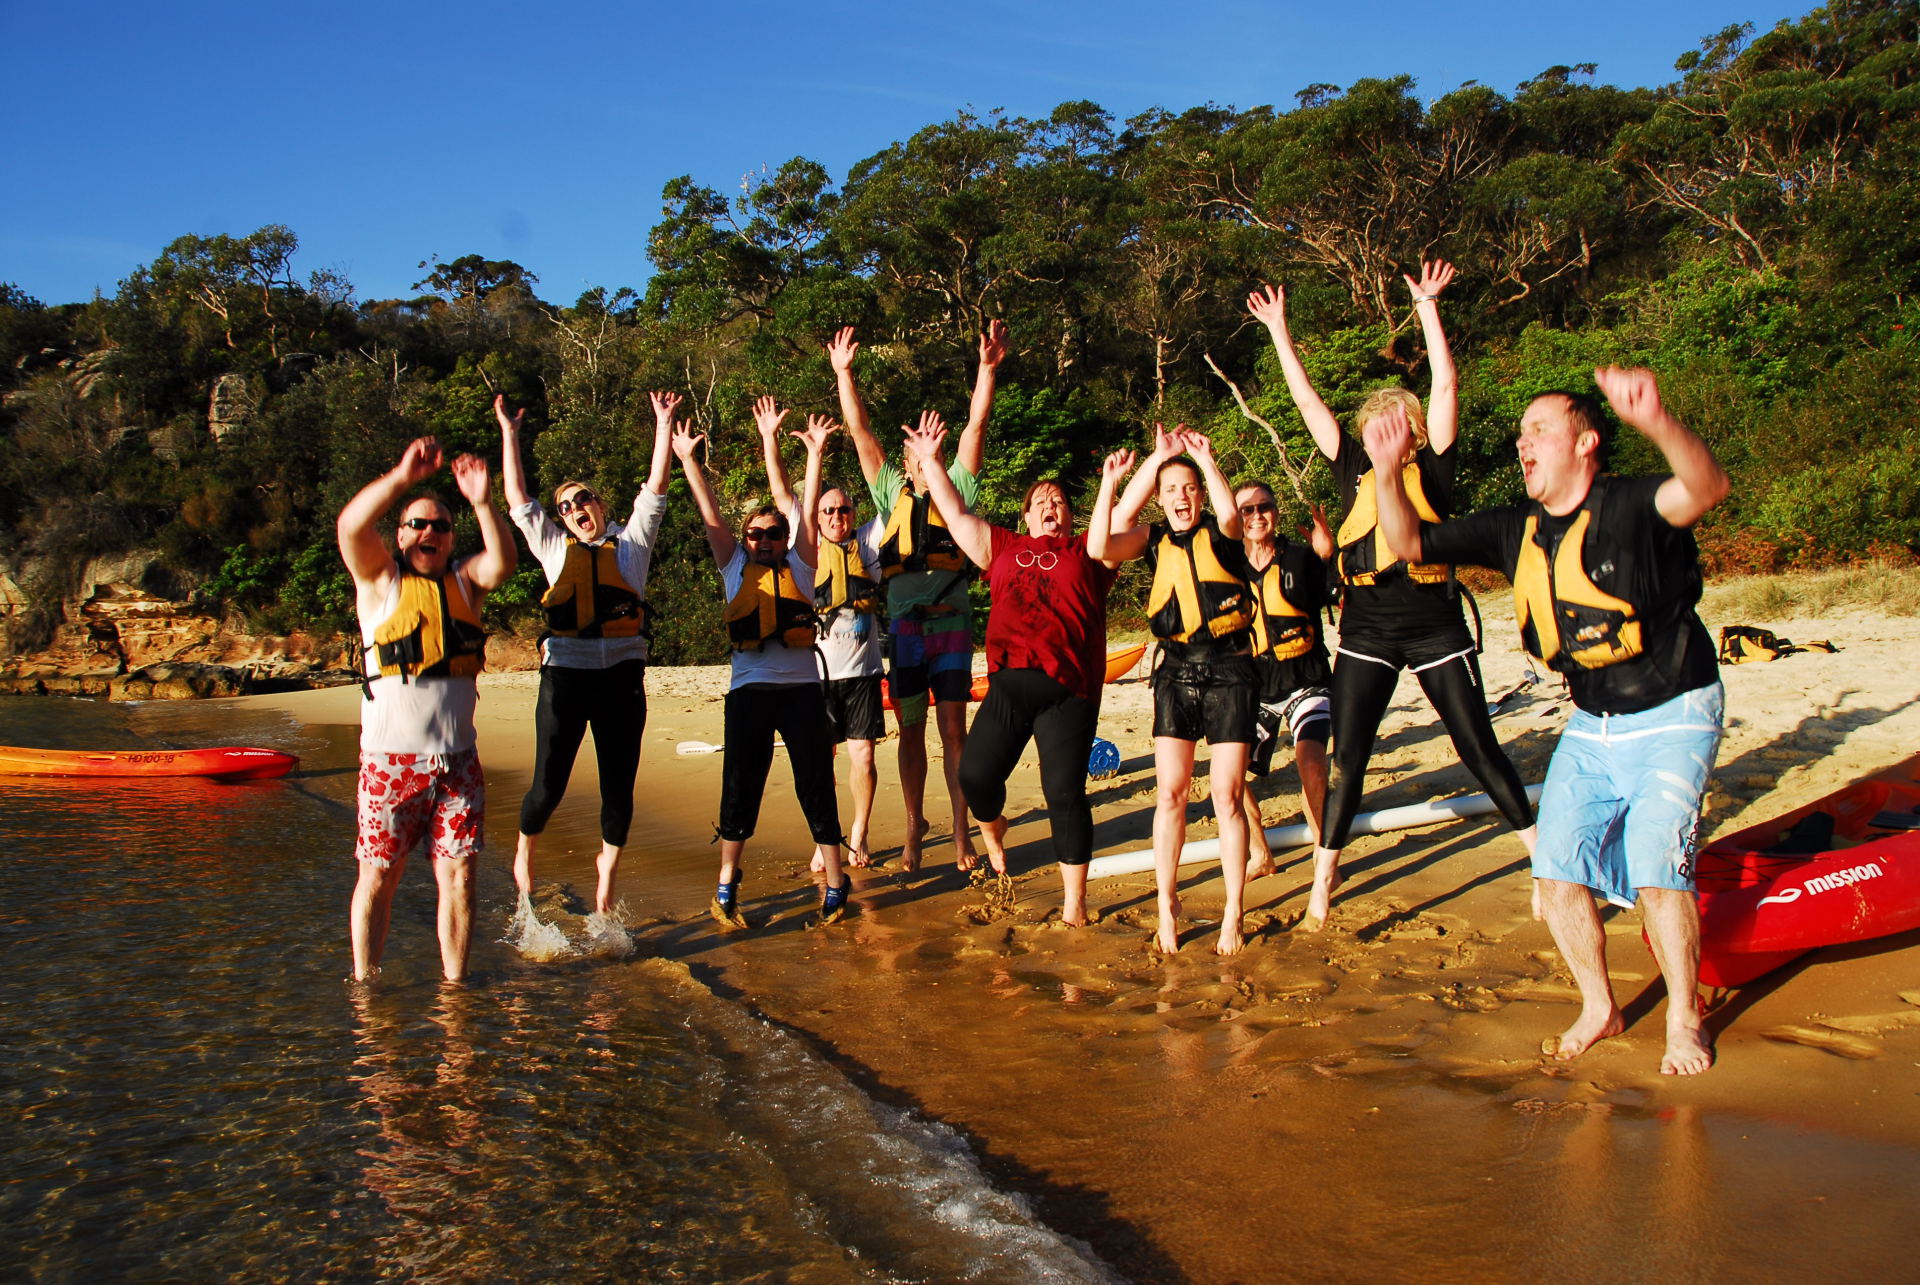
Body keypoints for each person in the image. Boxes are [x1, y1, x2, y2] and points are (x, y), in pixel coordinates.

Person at [1363, 367, 1729, 1076]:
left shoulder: (1632, 504)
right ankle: (1600, 1004)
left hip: (1675, 708)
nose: (1522, 443)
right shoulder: (1513, 528)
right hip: (1592, 720)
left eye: (1539, 429)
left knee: (1658, 865)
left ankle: (1684, 1015)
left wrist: (1656, 420)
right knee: (1557, 867)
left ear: (1586, 442)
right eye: (1521, 433)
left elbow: (1706, 488)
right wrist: (1385, 471)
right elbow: (1410, 544)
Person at [1248, 261, 1536, 931]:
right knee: (1350, 756)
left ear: (1411, 431)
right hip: (1368, 629)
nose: (1382, 433)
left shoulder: (1434, 465)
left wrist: (1429, 310)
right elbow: (1307, 404)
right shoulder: (1351, 466)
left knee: (1478, 745)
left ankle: (1538, 856)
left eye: (1393, 425)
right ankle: (1323, 881)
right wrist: (1280, 333)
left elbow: (1446, 384)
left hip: (1435, 622)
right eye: (1374, 426)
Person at [900, 412, 1126, 924]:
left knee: (1063, 791)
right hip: (1007, 686)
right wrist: (934, 461)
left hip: (1068, 691)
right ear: (1025, 517)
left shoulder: (1090, 549)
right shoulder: (1002, 547)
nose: (1051, 506)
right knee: (976, 778)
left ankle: (1075, 904)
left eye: (1060, 501)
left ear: (1071, 516)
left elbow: (1119, 525)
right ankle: (993, 826)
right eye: (1040, 502)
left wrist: (1124, 480)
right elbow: (955, 515)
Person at [827, 320, 1008, 870]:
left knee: (954, 727)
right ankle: (912, 829)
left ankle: (959, 832)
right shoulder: (889, 491)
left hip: (951, 624)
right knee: (910, 730)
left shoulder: (959, 486)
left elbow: (976, 425)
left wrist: (987, 369)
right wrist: (844, 374)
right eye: (913, 454)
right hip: (905, 631)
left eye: (930, 451)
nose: (921, 459)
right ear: (905, 464)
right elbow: (861, 436)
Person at [337, 435, 516, 982]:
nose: (428, 533)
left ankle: (455, 990)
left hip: (458, 764)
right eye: (417, 523)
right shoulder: (379, 582)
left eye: (439, 525)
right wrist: (401, 477)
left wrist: (484, 503)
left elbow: (503, 562)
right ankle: (366, 988)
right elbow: (349, 526)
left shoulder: (467, 583)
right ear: (399, 534)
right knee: (378, 877)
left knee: (460, 877)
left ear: (451, 538)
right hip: (391, 766)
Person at [496, 390, 675, 915]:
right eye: (567, 507)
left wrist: (662, 424)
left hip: (622, 678)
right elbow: (518, 504)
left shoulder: (633, 544)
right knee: (547, 786)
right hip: (566, 679)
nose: (577, 509)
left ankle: (607, 874)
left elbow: (657, 488)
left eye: (585, 499)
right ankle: (525, 847)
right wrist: (510, 433)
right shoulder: (555, 550)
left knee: (618, 788)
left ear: (602, 505)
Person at [673, 401, 847, 927]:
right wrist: (687, 461)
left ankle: (837, 884)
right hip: (749, 694)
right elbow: (710, 516)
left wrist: (815, 453)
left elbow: (809, 502)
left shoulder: (803, 560)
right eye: (756, 535)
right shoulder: (733, 567)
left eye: (773, 533)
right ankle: (727, 882)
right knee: (740, 786)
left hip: (800, 693)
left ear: (786, 539)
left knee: (814, 783)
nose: (765, 541)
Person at [1095, 427, 1256, 955]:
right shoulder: (1151, 539)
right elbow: (1101, 542)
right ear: (1160, 500)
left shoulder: (1224, 530)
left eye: (1188, 490)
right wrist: (1127, 477)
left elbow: (1231, 516)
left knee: (1227, 797)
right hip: (1176, 674)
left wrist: (1205, 461)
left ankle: (1233, 911)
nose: (1181, 499)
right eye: (1171, 491)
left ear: (1200, 494)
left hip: (1230, 671)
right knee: (1171, 795)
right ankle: (1168, 904)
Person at [755, 410, 885, 871]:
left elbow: (886, 495)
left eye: (842, 509)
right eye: (827, 510)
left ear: (853, 515)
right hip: (817, 676)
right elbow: (781, 493)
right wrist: (769, 437)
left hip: (864, 675)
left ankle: (860, 834)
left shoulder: (868, 543)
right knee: (821, 763)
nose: (834, 516)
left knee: (864, 757)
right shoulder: (804, 546)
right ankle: (825, 837)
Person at [1234, 481, 1335, 880]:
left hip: (1307, 680)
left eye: (1264, 507)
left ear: (1275, 512)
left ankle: (1323, 856)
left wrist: (1329, 556)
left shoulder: (1302, 558)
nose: (1257, 515)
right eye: (1247, 510)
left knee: (1309, 760)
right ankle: (1261, 854)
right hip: (1257, 688)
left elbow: (1341, 587)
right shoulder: (1227, 568)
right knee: (1229, 772)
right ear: (1236, 518)